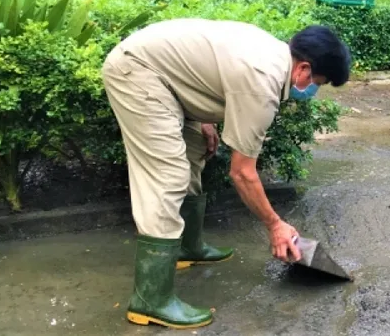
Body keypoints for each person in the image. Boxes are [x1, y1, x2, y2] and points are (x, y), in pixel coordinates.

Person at [101, 19, 352, 329]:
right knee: (167, 176)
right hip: (137, 72)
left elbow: (203, 72)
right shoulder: (262, 82)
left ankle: (187, 248)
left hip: (163, 77)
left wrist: (203, 117)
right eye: (319, 83)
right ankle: (150, 300)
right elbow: (242, 173)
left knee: (195, 146)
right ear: (303, 69)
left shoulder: (273, 55)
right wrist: (275, 225)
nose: (314, 90)